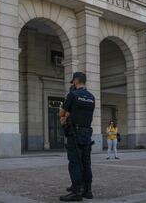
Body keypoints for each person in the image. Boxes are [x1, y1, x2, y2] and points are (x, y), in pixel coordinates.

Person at [59, 72, 95, 202]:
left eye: (73, 81)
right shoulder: (92, 97)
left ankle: (76, 192)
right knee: (86, 162)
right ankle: (87, 190)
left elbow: (62, 113)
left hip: (75, 134)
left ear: (75, 81)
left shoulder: (72, 95)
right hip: (87, 133)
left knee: (75, 162)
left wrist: (64, 116)